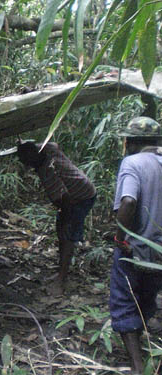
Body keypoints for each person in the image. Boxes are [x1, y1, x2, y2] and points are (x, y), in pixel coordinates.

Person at [110, 116, 162, 375]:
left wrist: (121, 237)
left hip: (136, 249)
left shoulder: (132, 162)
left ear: (129, 141)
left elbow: (129, 201)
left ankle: (138, 367)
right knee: (148, 297)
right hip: (159, 254)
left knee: (124, 301)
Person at [16, 141, 96, 295]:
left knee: (67, 236)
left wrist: (65, 223)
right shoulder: (48, 148)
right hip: (77, 193)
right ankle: (61, 271)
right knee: (61, 231)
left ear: (32, 157)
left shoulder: (47, 171)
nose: (23, 163)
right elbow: (53, 141)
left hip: (81, 197)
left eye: (24, 159)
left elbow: (64, 200)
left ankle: (61, 280)